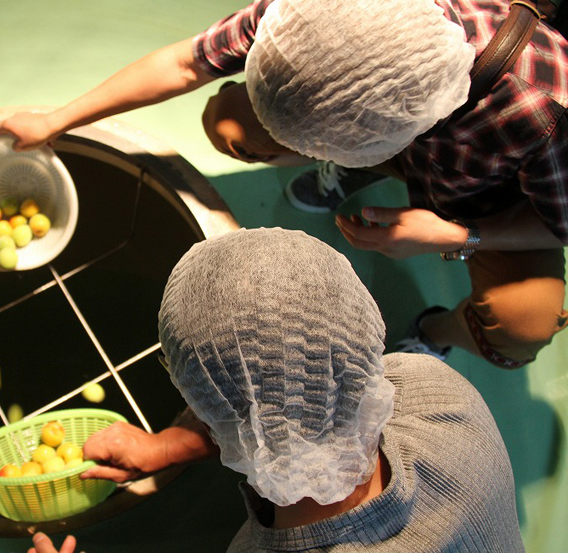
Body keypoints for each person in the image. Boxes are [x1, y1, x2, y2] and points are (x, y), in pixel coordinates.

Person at [0, 0, 568, 369]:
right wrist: (58, 120)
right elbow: (185, 62)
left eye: (341, 150)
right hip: (410, 144)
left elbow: (559, 224)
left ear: (413, 124)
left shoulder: (544, 108)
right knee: (233, 124)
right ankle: (363, 174)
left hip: (485, 201)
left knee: (523, 324)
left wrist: (455, 236)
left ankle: (434, 333)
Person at [70, 227, 522, 552]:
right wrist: (170, 447)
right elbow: (304, 399)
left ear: (200, 405)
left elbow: (275, 410)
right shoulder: (436, 392)